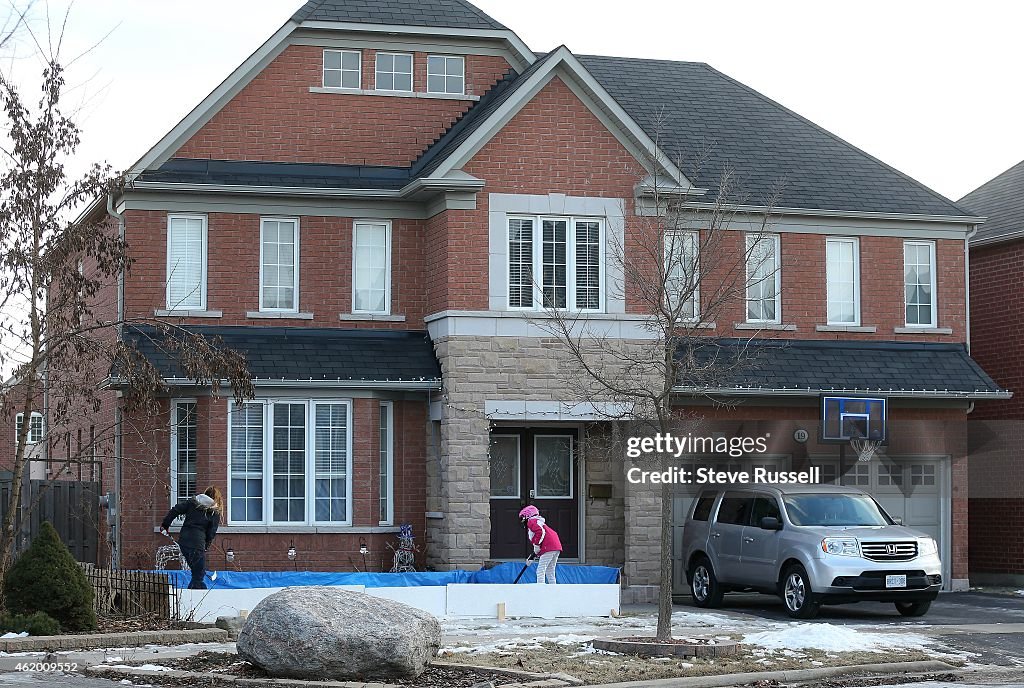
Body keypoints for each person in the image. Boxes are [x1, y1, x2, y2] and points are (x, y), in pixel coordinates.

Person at [160, 486, 221, 590]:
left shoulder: (192, 503)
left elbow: (175, 510)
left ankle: (191, 595)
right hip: (197, 544)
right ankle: (196, 598)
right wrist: (206, 546)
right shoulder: (214, 512)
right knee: (199, 575)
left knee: (196, 573)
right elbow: (211, 533)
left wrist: (165, 525)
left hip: (183, 541)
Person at [519, 505, 562, 584]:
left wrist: (536, 545)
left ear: (527, 516)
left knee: (540, 570)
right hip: (555, 546)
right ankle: (554, 590)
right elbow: (539, 543)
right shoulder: (538, 522)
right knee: (550, 571)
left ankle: (541, 590)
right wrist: (532, 557)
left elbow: (540, 532)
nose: (522, 521)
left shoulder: (532, 521)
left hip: (549, 546)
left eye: (522, 518)